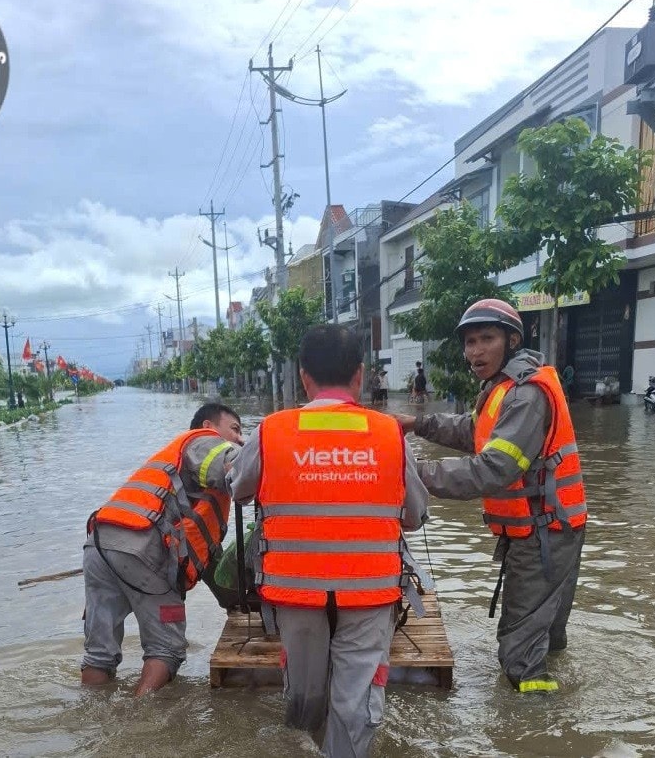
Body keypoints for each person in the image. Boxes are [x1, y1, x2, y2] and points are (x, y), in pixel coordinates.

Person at [229, 325, 430, 758]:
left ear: (304, 377)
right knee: (355, 703)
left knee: (305, 697)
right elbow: (415, 516)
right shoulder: (389, 433)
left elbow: (239, 490)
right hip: (370, 593)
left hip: (295, 592)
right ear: (360, 374)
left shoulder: (272, 431)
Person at [395, 298, 586, 694]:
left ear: (512, 341)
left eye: (486, 339)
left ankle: (536, 719)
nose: (475, 351)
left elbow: (494, 469)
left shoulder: (525, 394)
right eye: (470, 342)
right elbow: (475, 431)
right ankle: (560, 701)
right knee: (547, 637)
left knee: (519, 655)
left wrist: (411, 472)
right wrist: (418, 424)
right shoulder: (504, 388)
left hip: (544, 536)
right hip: (551, 528)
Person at [81, 403, 244, 695]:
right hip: (147, 550)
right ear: (208, 426)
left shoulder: (175, 467)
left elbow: (208, 559)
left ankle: (91, 711)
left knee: (99, 654)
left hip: (100, 545)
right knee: (166, 648)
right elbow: (237, 468)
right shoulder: (205, 441)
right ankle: (140, 716)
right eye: (235, 429)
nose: (240, 438)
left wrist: (234, 600)